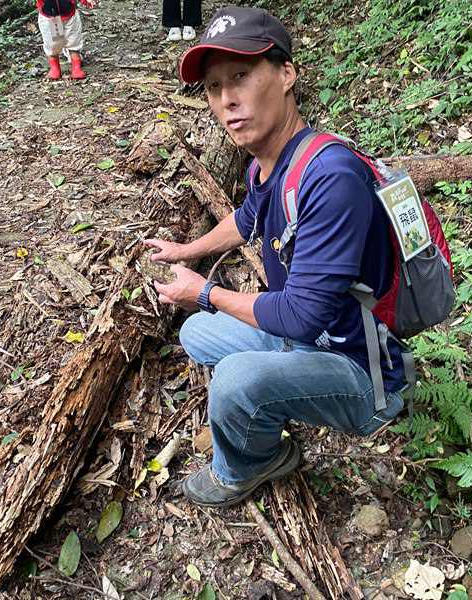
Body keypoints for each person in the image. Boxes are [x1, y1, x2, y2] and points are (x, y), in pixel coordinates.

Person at [145, 6, 408, 508]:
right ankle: (271, 389)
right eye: (213, 87)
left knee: (235, 379)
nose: (227, 100)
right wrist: (186, 250)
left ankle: (246, 466)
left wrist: (204, 292)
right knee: (195, 332)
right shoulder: (270, 163)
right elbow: (246, 220)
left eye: (241, 76)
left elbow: (300, 313)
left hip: (359, 371)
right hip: (307, 338)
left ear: (286, 74)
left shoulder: (329, 176)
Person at [36, 0, 96, 80]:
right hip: (51, 16)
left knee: (73, 40)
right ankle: (55, 68)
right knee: (54, 43)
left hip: (69, 14)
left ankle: (76, 68)